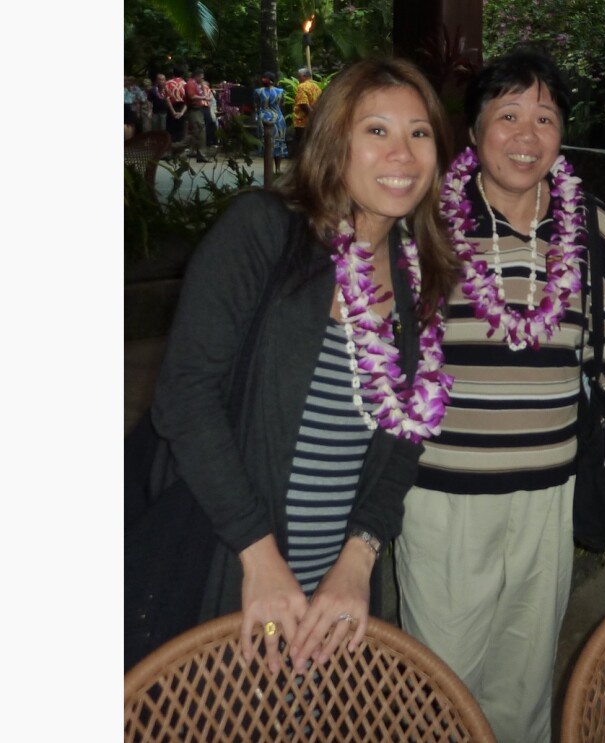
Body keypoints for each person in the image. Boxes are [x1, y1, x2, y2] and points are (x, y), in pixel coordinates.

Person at [150, 58, 461, 674]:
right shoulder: (264, 231)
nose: (402, 152)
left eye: (419, 133)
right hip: (232, 557)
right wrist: (259, 559)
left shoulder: (418, 272)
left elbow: (405, 438)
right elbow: (185, 398)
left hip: (335, 584)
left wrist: (360, 558)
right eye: (376, 130)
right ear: (333, 141)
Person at [394, 48, 605, 743]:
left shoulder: (588, 223)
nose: (526, 134)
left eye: (544, 118)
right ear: (475, 130)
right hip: (445, 491)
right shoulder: (424, 220)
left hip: (548, 490)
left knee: (523, 681)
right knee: (441, 684)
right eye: (508, 115)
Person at [254, 72, 289, 173]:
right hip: (278, 118)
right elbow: (282, 103)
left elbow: (256, 104)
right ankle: (277, 168)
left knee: (266, 143)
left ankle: (268, 169)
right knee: (279, 142)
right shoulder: (281, 91)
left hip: (264, 118)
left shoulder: (258, 91)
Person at [292, 67, 322, 156]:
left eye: (299, 77)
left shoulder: (302, 86)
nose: (298, 79)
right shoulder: (317, 87)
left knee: (302, 148)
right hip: (313, 122)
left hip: (302, 122)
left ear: (304, 76)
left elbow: (303, 103)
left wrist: (311, 115)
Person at [184, 68, 211, 162]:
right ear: (197, 76)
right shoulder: (191, 84)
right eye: (201, 77)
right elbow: (192, 96)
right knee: (199, 132)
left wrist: (202, 87)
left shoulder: (197, 84)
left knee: (199, 132)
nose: (202, 79)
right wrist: (203, 97)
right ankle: (178, 147)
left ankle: (199, 153)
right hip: (193, 110)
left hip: (198, 110)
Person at [163, 65, 188, 156]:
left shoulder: (168, 83)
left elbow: (167, 99)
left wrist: (173, 111)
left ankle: (169, 151)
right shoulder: (185, 84)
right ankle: (179, 152)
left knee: (170, 130)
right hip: (182, 107)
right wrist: (181, 112)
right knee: (180, 130)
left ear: (173, 73)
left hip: (171, 108)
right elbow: (187, 101)